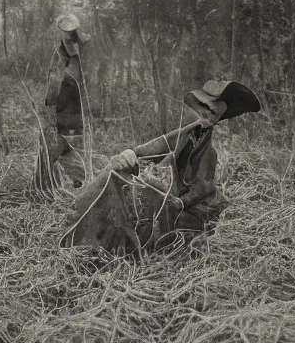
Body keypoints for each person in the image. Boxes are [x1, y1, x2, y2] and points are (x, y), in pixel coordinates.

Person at [63, 80, 261, 253]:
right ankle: (83, 230)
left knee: (160, 231)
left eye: (215, 114)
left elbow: (202, 189)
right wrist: (132, 153)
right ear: (199, 106)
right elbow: (158, 146)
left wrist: (179, 201)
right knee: (114, 177)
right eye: (206, 109)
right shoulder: (186, 132)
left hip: (191, 209)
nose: (209, 116)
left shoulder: (209, 152)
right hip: (169, 196)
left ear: (218, 119)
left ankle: (130, 249)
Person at [35, 14, 91, 193]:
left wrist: (49, 103)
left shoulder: (82, 48)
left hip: (74, 104)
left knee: (65, 143)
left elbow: (57, 79)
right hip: (68, 103)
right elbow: (53, 80)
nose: (67, 36)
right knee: (67, 142)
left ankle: (72, 181)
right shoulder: (62, 50)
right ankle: (64, 181)